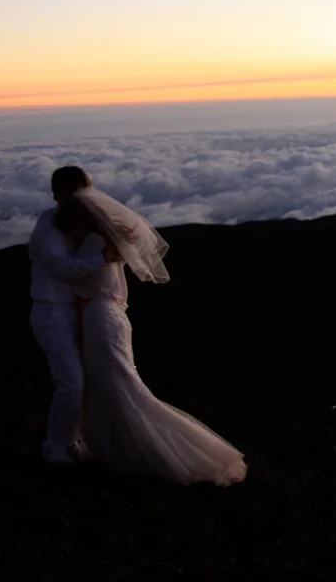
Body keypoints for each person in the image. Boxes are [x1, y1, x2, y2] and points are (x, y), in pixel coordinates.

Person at [57, 185, 247, 487]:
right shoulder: (105, 242)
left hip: (100, 320)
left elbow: (72, 275)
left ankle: (161, 454)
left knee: (119, 385)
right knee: (116, 384)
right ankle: (125, 448)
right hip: (108, 317)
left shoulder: (93, 243)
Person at [28, 166, 119, 464]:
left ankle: (72, 440)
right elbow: (63, 268)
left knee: (84, 381)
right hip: (50, 310)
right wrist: (102, 258)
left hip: (74, 310)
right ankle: (54, 445)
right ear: (57, 195)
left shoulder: (70, 221)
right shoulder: (48, 227)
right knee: (71, 383)